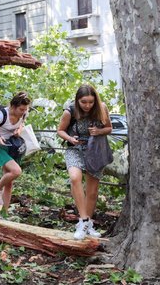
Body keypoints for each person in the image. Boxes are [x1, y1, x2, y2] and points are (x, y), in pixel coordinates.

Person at [57, 84, 112, 240]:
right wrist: (70, 139)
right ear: (77, 100)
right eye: (84, 102)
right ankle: (83, 220)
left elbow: (109, 128)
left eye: (90, 102)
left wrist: (99, 131)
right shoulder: (70, 111)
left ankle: (88, 226)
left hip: (95, 152)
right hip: (75, 149)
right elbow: (60, 130)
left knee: (92, 191)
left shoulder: (101, 108)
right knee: (75, 178)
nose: (88, 105)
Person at [0, 92, 31, 212]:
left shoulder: (23, 114)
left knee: (9, 183)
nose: (23, 112)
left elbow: (22, 124)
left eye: (25, 109)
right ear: (13, 106)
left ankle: (4, 212)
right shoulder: (1, 115)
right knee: (16, 171)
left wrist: (19, 130)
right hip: (0, 145)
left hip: (12, 146)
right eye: (21, 109)